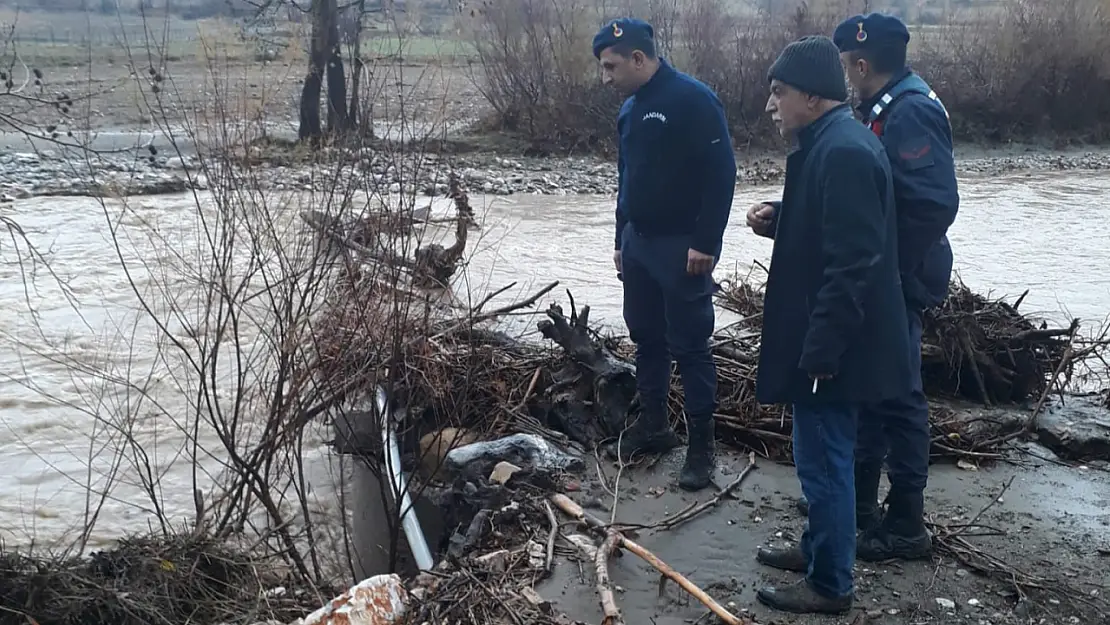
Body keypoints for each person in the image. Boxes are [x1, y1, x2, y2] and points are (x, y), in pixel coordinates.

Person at [748, 35, 913, 615]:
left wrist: (820, 350)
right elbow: (835, 229)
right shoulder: (831, 143)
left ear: (813, 96)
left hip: (837, 348)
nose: (771, 104)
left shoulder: (841, 151)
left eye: (778, 92)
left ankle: (830, 583)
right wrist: (783, 219)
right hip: (833, 342)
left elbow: (854, 265)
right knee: (817, 456)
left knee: (825, 463)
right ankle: (818, 550)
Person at [788, 13, 961, 562]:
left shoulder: (910, 111)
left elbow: (933, 204)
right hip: (886, 272)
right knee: (870, 388)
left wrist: (890, 271)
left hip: (902, 275)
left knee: (899, 394)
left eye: (844, 65)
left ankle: (906, 520)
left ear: (861, 65)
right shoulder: (882, 107)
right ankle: (857, 509)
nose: (843, 75)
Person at [591, 18, 737, 491]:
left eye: (611, 67)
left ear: (638, 58)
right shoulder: (630, 109)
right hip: (638, 244)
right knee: (646, 337)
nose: (605, 77)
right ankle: (655, 425)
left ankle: (701, 448)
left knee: (691, 346)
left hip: (682, 247)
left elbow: (722, 174)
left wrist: (707, 242)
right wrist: (620, 237)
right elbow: (625, 177)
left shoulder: (693, 99)